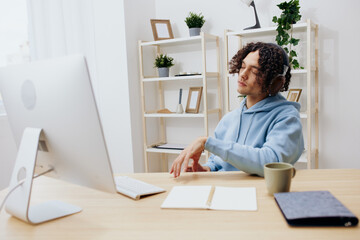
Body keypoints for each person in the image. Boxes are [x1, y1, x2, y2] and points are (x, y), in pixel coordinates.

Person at [170, 42, 304, 178]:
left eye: (254, 71)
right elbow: (216, 161)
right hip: (225, 191)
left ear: (275, 82)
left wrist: (207, 143)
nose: (243, 75)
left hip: (259, 195)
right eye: (243, 67)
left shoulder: (287, 118)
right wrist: (207, 169)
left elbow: (272, 162)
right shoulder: (229, 119)